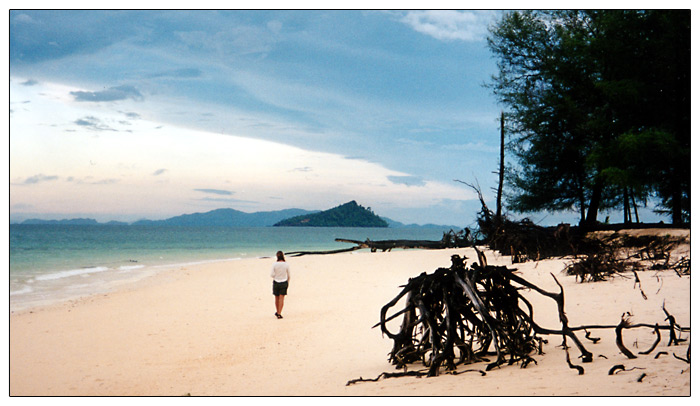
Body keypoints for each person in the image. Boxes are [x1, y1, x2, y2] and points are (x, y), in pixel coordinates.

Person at [270, 251, 290, 319]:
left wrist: (276, 276)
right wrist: (288, 282)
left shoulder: (274, 264)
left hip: (276, 281)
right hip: (284, 281)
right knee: (281, 298)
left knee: (276, 298)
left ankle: (277, 311)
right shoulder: (286, 264)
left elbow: (272, 274)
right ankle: (279, 313)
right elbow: (289, 275)